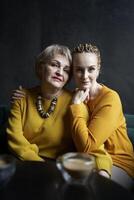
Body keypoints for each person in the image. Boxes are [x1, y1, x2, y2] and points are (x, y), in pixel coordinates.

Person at [7, 44, 112, 178]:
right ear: (41, 67)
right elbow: (15, 139)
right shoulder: (21, 98)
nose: (60, 72)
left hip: (58, 171)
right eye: (55, 65)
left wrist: (103, 171)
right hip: (24, 164)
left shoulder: (76, 103)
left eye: (66, 70)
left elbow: (92, 146)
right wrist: (39, 165)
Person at [69, 43, 134, 189]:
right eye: (79, 70)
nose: (85, 76)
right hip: (88, 160)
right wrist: (25, 95)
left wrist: (76, 105)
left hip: (119, 162)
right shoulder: (74, 97)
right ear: (72, 71)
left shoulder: (110, 98)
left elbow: (87, 146)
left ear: (98, 69)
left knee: (94, 189)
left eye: (91, 69)